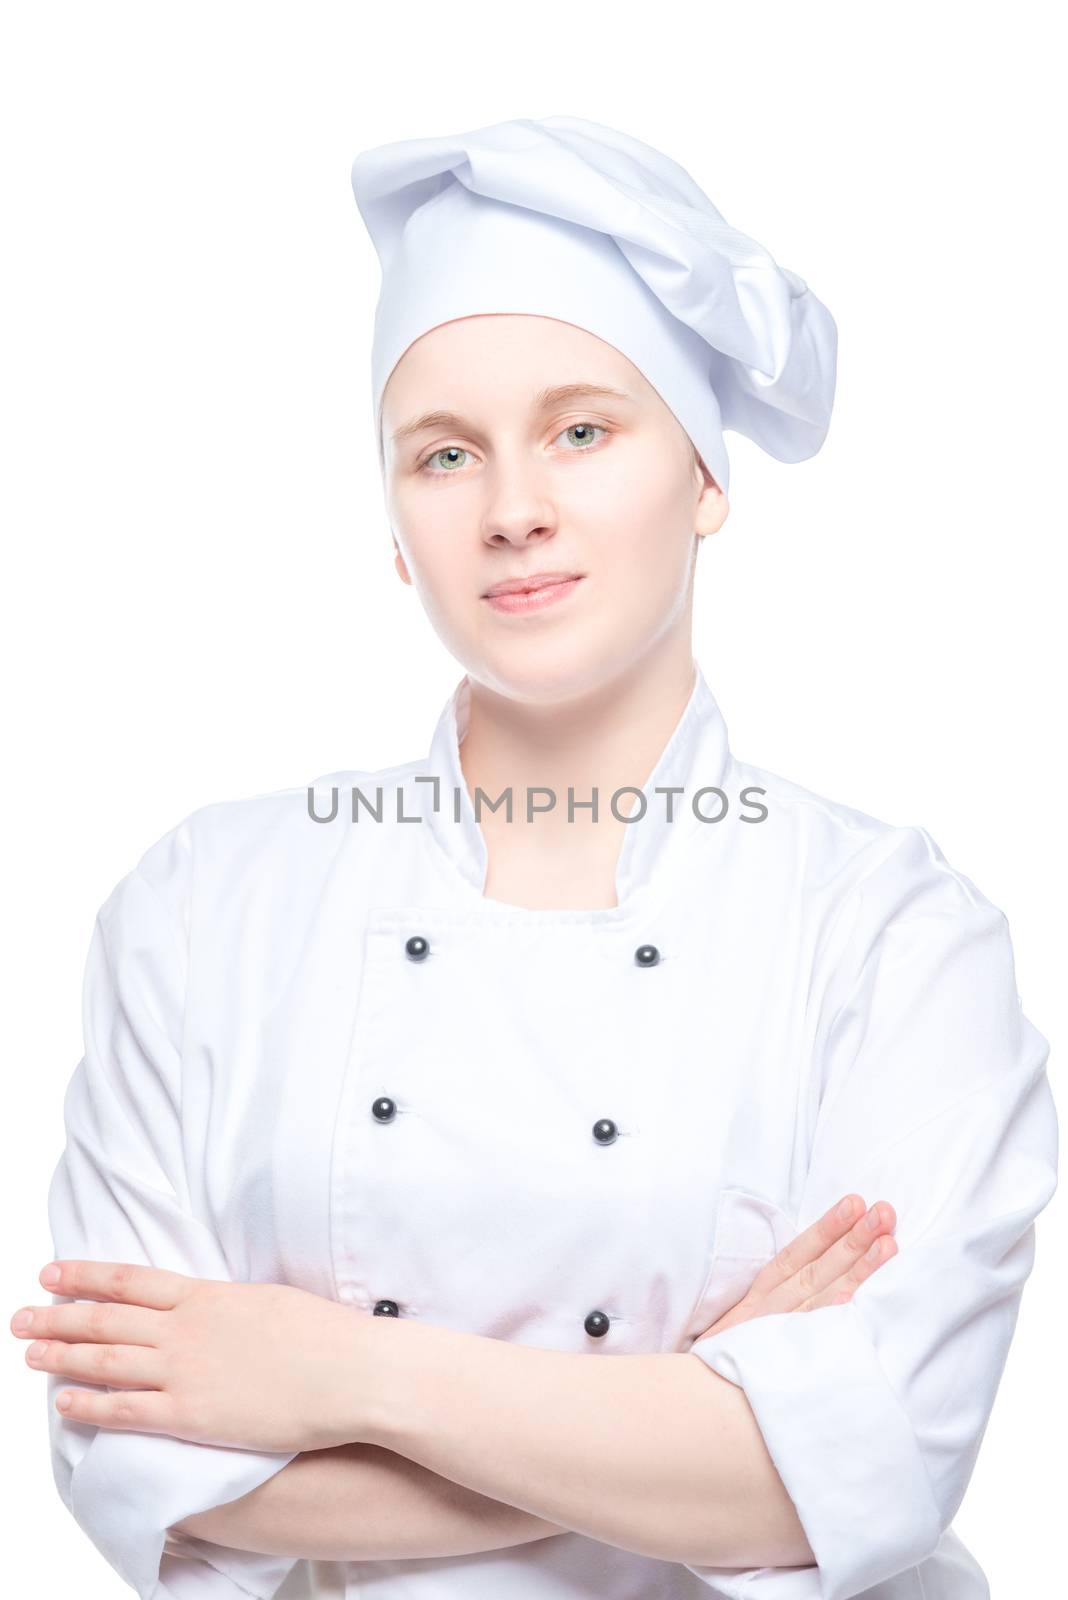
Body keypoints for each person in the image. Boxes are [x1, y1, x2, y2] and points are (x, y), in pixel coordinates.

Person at [12, 116, 1057, 1600]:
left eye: (582, 428)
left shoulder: (892, 936)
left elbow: (873, 1468)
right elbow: (136, 1457)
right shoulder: (203, 910)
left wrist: (331, 1373)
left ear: (703, 475)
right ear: (394, 524)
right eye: (446, 454)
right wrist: (695, 1403)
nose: (513, 510)